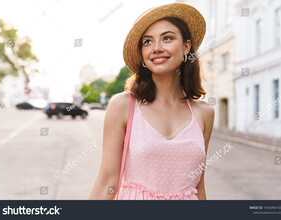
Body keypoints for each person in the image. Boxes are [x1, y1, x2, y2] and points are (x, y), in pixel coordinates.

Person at [88, 3, 214, 200]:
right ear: (143, 55)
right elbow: (107, 181)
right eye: (147, 42)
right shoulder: (123, 105)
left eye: (167, 38)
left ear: (186, 47)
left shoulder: (204, 113)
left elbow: (199, 186)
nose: (156, 48)